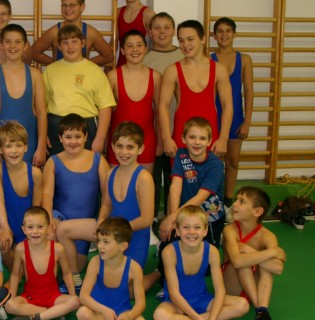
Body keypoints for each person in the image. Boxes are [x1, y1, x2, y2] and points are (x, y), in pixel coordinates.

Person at [153, 205, 249, 320]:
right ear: (177, 230)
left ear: (205, 231)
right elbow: (174, 294)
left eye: (197, 227)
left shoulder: (212, 251)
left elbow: (220, 290)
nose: (191, 232)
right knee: (160, 316)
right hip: (177, 303)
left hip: (202, 299)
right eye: (186, 227)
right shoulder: (169, 252)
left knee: (242, 305)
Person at [44, 114, 110, 291]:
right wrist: (48, 217)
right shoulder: (53, 162)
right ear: (60, 138)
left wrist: (102, 220)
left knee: (78, 265)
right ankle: (49, 283)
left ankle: (70, 276)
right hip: (61, 217)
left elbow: (107, 196)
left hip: (85, 224)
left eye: (78, 136)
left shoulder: (98, 160)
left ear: (86, 137)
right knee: (48, 235)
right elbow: (47, 194)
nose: (73, 141)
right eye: (68, 137)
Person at [63, 218, 147, 320]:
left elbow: (141, 303)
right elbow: (84, 296)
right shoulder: (95, 262)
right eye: (99, 241)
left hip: (121, 312)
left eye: (106, 242)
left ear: (123, 246)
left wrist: (130, 316)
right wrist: (103, 310)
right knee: (82, 313)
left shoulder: (134, 268)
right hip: (98, 311)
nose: (100, 246)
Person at [158, 19, 232, 159]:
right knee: (182, 174)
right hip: (182, 134)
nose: (185, 45)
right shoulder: (172, 70)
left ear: (203, 39)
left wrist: (223, 138)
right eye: (181, 40)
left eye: (190, 39)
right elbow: (163, 106)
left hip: (209, 135)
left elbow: (227, 105)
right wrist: (166, 138)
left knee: (209, 173)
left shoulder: (219, 69)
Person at [43, 25, 116, 155]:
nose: (70, 47)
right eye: (65, 42)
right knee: (57, 166)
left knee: (86, 166)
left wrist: (100, 139)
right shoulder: (49, 71)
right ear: (59, 46)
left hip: (86, 125)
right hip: (56, 126)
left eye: (74, 42)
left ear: (82, 43)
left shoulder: (95, 71)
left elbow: (105, 107)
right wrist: (43, 135)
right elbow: (40, 107)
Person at [223, 186, 285, 320]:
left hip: (254, 288)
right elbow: (237, 262)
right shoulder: (230, 230)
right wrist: (271, 252)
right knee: (244, 261)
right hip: (232, 286)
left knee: (266, 268)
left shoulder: (267, 236)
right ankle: (262, 313)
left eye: (242, 202)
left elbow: (278, 268)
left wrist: (247, 249)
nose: (234, 204)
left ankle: (261, 312)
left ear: (257, 212)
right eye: (236, 200)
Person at [0, 24, 47, 166]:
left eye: (18, 42)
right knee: (0, 179)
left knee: (28, 179)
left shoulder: (35, 75)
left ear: (25, 45)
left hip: (29, 144)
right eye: (8, 42)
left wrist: (41, 147)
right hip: (1, 145)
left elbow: (41, 113)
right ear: (1, 45)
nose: (13, 46)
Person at [5, 207, 80, 320]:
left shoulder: (58, 249)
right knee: (9, 305)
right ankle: (53, 314)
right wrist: (12, 297)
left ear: (49, 229)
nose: (35, 231)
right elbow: (15, 274)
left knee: (75, 301)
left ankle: (36, 317)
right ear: (24, 229)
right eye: (30, 227)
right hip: (30, 297)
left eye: (40, 227)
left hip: (53, 297)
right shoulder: (20, 248)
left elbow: (66, 273)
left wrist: (72, 294)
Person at [158, 117, 226, 249]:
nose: (197, 142)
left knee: (205, 253)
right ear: (183, 139)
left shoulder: (216, 165)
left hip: (209, 217)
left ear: (209, 141)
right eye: (192, 137)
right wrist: (174, 219)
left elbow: (200, 197)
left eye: (202, 138)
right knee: (168, 249)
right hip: (185, 214)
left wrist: (173, 217)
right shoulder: (181, 155)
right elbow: (175, 187)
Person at [99, 122, 154, 278]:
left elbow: (146, 219)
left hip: (134, 238)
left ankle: (155, 275)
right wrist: (100, 223)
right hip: (113, 238)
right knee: (107, 281)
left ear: (140, 149)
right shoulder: (110, 174)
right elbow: (107, 204)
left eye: (130, 147)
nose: (124, 152)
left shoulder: (143, 178)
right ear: (113, 147)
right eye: (120, 146)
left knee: (127, 287)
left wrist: (116, 232)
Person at [211, 17, 254, 206]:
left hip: (236, 117)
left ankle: (228, 202)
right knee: (214, 163)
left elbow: (249, 91)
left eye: (228, 31)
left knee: (233, 161)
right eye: (220, 31)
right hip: (214, 116)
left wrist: (247, 121)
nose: (224, 34)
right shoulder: (208, 59)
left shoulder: (244, 59)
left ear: (234, 34)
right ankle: (213, 203)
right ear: (214, 35)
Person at [144, 12, 183, 219]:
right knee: (151, 179)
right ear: (149, 32)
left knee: (174, 179)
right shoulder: (144, 58)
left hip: (180, 128)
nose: (162, 32)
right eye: (156, 28)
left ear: (174, 31)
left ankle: (171, 219)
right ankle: (150, 220)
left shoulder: (184, 57)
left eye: (166, 27)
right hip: (153, 130)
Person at [0, 121, 43, 270]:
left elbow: (36, 209)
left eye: (18, 145)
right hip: (4, 221)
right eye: (8, 146)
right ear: (0, 149)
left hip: (27, 224)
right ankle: (16, 274)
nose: (14, 151)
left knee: (34, 264)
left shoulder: (35, 173)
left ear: (26, 147)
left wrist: (31, 233)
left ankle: (21, 272)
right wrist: (5, 228)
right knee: (2, 243)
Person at [106, 30, 161, 171]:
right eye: (129, 46)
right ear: (122, 51)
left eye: (139, 45)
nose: (135, 50)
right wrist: (105, 141)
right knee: (116, 182)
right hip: (118, 142)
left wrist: (161, 141)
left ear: (146, 48)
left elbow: (159, 112)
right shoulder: (113, 76)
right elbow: (105, 115)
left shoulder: (155, 76)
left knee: (145, 182)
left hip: (146, 141)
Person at [31, 0, 113, 67]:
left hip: (82, 75)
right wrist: (56, 65)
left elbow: (108, 57)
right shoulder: (54, 32)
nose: (67, 9)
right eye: (64, 5)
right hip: (60, 75)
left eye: (72, 5)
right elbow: (33, 53)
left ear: (82, 7)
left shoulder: (90, 33)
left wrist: (85, 65)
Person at [115, 0, 155, 67]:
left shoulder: (148, 14)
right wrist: (108, 66)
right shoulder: (118, 12)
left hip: (140, 67)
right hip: (121, 66)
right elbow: (114, 42)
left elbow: (156, 44)